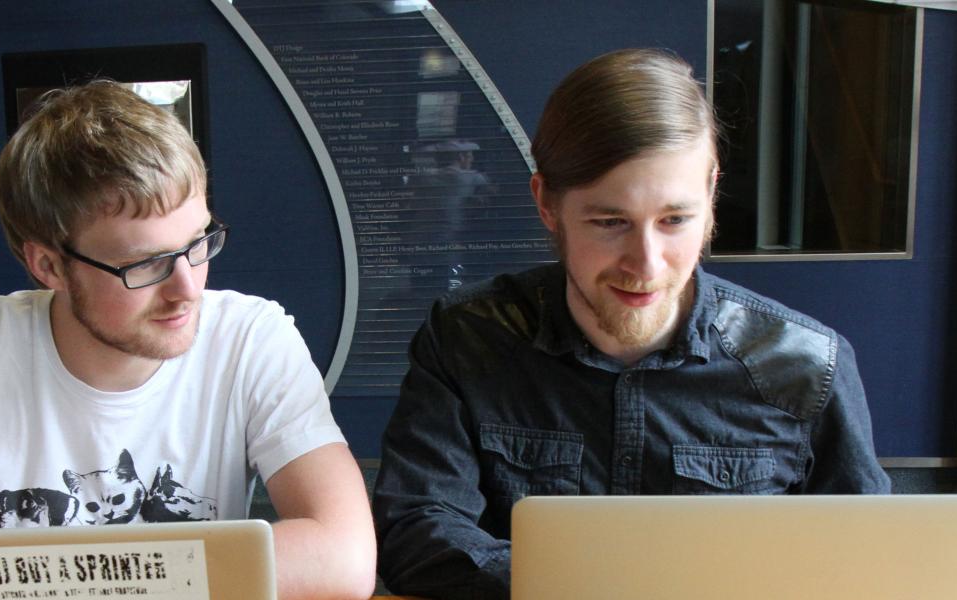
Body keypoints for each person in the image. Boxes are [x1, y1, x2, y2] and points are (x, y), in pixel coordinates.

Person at [0, 81, 375, 600]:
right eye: (146, 265)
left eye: (199, 243)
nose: (188, 289)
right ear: (49, 267)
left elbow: (344, 557)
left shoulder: (252, 338)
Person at [372, 49, 891, 599]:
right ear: (547, 204)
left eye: (675, 220)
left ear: (712, 192)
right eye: (610, 222)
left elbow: (869, 561)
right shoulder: (467, 337)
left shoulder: (809, 365)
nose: (645, 265)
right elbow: (416, 530)